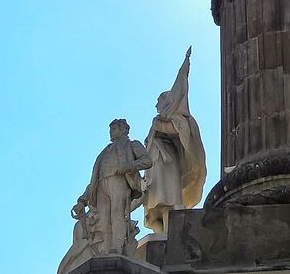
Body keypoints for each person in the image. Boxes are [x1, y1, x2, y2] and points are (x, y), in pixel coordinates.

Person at [143, 48, 207, 233]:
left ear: (166, 101)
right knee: (153, 206)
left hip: (167, 162)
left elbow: (181, 131)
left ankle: (172, 232)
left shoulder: (173, 120)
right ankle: (160, 233)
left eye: (159, 100)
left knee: (168, 199)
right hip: (153, 165)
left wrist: (160, 126)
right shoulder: (156, 121)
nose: (156, 104)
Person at [73, 118, 152, 256]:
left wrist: (129, 166)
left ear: (123, 130)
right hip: (101, 185)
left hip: (119, 181)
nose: (110, 132)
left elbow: (147, 161)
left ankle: (117, 246)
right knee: (103, 219)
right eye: (110, 129)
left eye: (114, 129)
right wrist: (82, 201)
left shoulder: (132, 144)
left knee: (117, 214)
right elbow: (94, 181)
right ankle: (105, 250)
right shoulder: (105, 151)